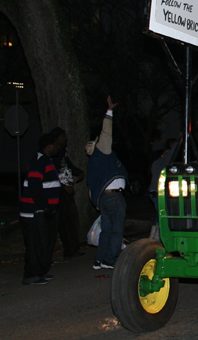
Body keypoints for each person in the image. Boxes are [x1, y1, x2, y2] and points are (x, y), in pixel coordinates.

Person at [86, 96, 129, 270]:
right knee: (117, 230)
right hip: (114, 197)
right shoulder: (101, 152)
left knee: (107, 230)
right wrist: (109, 112)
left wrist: (96, 202)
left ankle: (100, 259)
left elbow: (90, 184)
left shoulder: (93, 163)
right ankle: (110, 259)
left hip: (103, 199)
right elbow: (106, 131)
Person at [19, 131, 63, 285]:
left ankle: (40, 272)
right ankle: (32, 274)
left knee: (44, 243)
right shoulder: (39, 161)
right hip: (35, 212)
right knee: (35, 244)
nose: (58, 147)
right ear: (49, 146)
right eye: (56, 145)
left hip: (42, 211)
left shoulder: (46, 160)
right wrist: (44, 206)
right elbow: (35, 185)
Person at [50, 128, 85, 259]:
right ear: (58, 138)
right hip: (61, 191)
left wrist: (79, 172)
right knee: (65, 220)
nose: (66, 139)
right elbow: (52, 173)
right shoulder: (54, 154)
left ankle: (74, 248)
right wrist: (64, 187)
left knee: (72, 219)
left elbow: (68, 165)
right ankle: (70, 250)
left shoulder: (62, 152)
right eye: (64, 137)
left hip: (67, 189)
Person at [149, 137, 178, 240]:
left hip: (154, 191)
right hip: (158, 192)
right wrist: (181, 139)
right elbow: (171, 153)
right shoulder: (162, 162)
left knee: (159, 213)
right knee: (163, 214)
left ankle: (154, 236)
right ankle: (157, 237)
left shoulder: (156, 164)